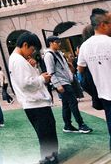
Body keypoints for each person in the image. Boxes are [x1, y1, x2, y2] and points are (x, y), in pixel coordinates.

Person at [9, 31, 57, 159]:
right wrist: (42, 78)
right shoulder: (18, 60)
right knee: (48, 139)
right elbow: (25, 83)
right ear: (25, 45)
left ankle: (50, 163)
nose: (32, 53)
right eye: (32, 49)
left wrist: (34, 69)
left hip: (35, 104)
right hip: (36, 104)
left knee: (47, 137)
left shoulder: (18, 59)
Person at [77, 8, 111, 148]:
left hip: (104, 94)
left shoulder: (85, 46)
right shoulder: (109, 42)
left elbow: (80, 69)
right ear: (103, 24)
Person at [44, 37, 91, 135]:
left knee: (66, 105)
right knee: (73, 102)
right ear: (51, 43)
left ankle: (68, 125)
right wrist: (57, 85)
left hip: (66, 81)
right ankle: (81, 124)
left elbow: (64, 67)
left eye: (59, 42)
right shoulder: (49, 55)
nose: (59, 44)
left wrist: (70, 75)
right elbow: (50, 72)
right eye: (57, 42)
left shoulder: (59, 53)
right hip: (62, 83)